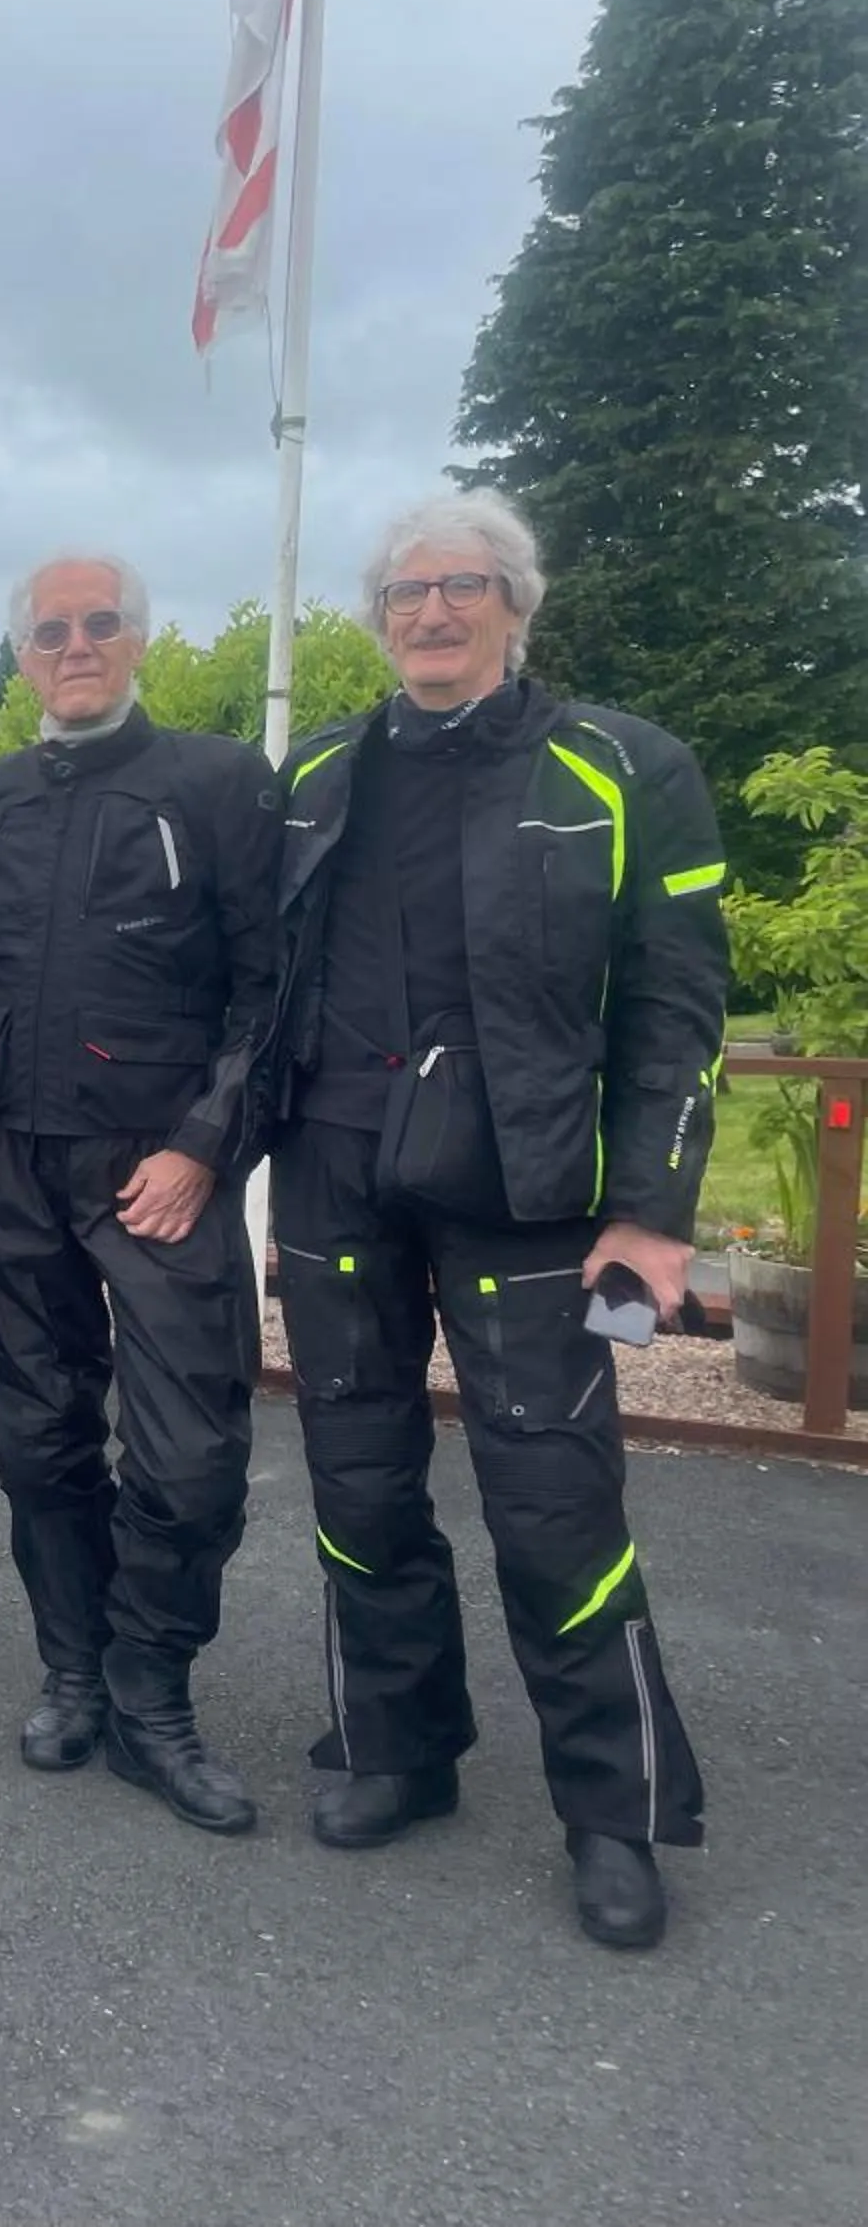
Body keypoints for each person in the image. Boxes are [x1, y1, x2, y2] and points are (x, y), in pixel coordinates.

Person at [270, 489, 726, 1948]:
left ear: (517, 606)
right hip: (338, 1183)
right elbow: (254, 977)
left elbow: (677, 1005)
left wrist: (652, 1212)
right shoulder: (317, 770)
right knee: (358, 1484)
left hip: (532, 1200)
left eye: (463, 585)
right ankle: (396, 1749)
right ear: (378, 620)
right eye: (407, 592)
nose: (433, 611)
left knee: (553, 1506)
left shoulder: (624, 765)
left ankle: (615, 1812)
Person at [0, 555, 281, 1834]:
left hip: (157, 1170)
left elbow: (270, 987)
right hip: (14, 1160)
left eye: (101, 624)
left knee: (192, 1458)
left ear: (139, 640)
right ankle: (77, 1671)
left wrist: (205, 1143)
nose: (76, 645)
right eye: (51, 630)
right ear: (25, 656)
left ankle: (154, 1693)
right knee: (35, 1438)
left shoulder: (214, 780)